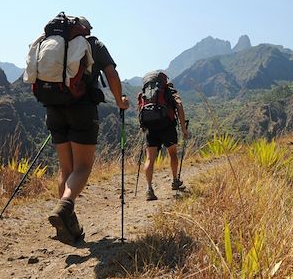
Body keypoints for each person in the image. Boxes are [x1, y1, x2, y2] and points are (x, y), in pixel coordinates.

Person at [46, 16, 129, 244]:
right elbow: (111, 74)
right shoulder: (94, 44)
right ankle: (65, 207)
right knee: (82, 167)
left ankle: (68, 225)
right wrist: (120, 100)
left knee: (66, 169)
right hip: (81, 110)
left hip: (53, 108)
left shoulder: (55, 45)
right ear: (86, 29)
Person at [139, 74, 189, 201]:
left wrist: (143, 126)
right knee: (172, 154)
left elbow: (140, 108)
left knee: (150, 158)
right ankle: (174, 180)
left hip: (151, 127)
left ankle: (149, 189)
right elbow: (179, 105)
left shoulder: (145, 93)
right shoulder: (169, 90)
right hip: (167, 126)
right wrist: (183, 127)